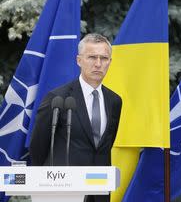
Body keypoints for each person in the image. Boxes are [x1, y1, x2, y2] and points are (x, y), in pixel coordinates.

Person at [30, 33, 122, 202]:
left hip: (99, 192)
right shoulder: (58, 98)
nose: (98, 64)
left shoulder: (114, 101)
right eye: (92, 57)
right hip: (63, 192)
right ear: (79, 60)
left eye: (104, 58)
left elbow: (105, 144)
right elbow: (38, 148)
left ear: (110, 62)